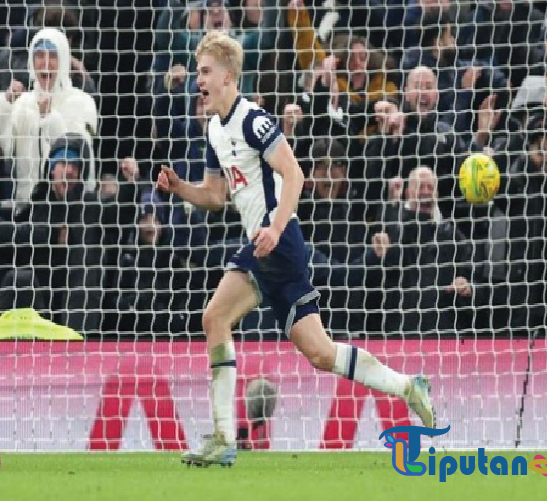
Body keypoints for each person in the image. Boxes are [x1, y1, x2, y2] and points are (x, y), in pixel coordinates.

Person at [157, 31, 435, 467]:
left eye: (205, 72)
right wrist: (179, 188)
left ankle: (223, 438)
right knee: (319, 352)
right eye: (197, 73)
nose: (199, 80)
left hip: (280, 243)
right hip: (262, 245)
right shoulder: (213, 129)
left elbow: (296, 174)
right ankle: (408, 387)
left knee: (216, 318)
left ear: (229, 76)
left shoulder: (255, 121)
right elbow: (214, 196)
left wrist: (274, 227)